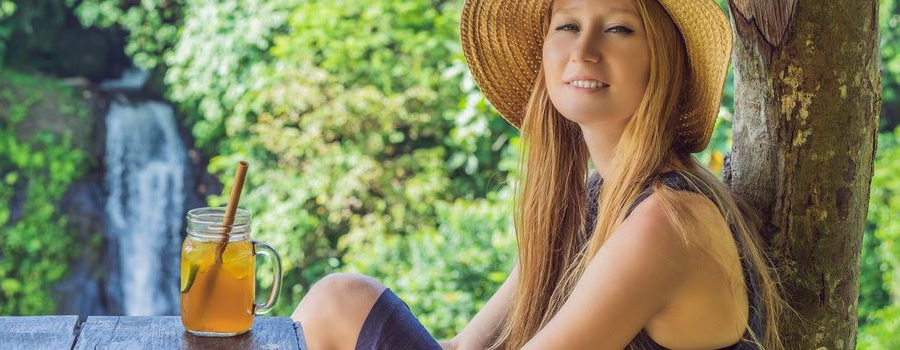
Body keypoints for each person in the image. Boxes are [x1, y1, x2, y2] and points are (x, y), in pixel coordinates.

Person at [291, 0, 789, 348]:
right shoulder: (599, 196)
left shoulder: (668, 220)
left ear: (664, 59)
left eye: (618, 28)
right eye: (568, 25)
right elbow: (469, 345)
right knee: (341, 303)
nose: (584, 50)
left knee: (342, 301)